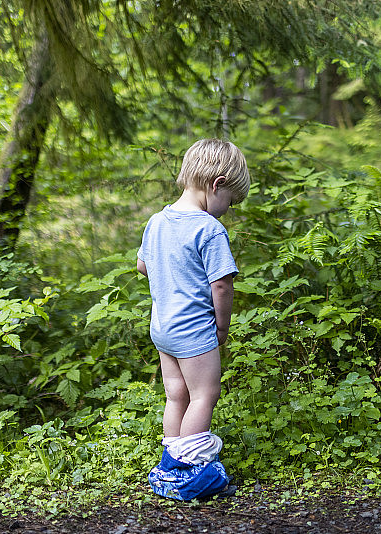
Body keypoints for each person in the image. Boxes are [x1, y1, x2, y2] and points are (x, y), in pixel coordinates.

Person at [137, 138, 250, 500]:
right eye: (230, 201)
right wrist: (221, 327)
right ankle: (190, 472)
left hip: (163, 328)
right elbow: (221, 286)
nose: (227, 211)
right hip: (193, 330)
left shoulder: (157, 221)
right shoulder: (209, 229)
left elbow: (142, 265)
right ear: (216, 185)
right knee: (205, 394)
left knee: (177, 396)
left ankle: (170, 466)